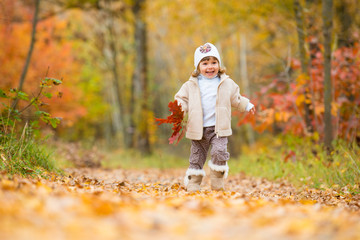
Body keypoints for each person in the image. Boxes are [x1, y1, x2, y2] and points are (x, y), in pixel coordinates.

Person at [174, 42, 255, 192]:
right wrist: (178, 110)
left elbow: (236, 98)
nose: (210, 67)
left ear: (219, 64)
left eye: (214, 62)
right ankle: (193, 184)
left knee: (219, 153)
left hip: (219, 129)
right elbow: (181, 100)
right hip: (198, 129)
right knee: (196, 158)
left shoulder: (226, 83)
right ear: (198, 67)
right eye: (205, 63)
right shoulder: (191, 85)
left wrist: (247, 105)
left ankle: (217, 183)